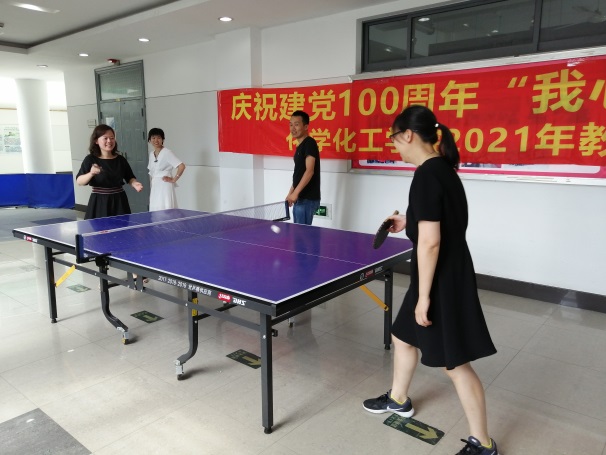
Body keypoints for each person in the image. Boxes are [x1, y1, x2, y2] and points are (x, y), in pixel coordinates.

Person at [362, 105, 499, 455]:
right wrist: (409, 220)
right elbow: (439, 219)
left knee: (455, 364)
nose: (394, 146)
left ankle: (483, 444)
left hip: (439, 280)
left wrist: (424, 297)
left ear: (408, 135)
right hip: (444, 271)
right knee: (402, 336)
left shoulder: (425, 175)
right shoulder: (442, 170)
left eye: (394, 139)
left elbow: (431, 243)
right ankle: (398, 399)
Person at [76, 124, 143, 220]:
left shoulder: (120, 159)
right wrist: (91, 173)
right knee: (99, 228)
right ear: (96, 141)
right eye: (105, 138)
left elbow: (130, 177)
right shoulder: (90, 159)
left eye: (112, 138)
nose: (109, 141)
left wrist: (134, 183)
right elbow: (79, 181)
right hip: (99, 202)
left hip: (119, 201)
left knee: (121, 227)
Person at [285, 110, 321, 225]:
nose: (293, 128)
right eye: (291, 124)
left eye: (296, 124)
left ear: (305, 126)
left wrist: (295, 193)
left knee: (301, 234)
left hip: (307, 199)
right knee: (299, 233)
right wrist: (290, 193)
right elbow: (299, 174)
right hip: (300, 198)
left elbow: (309, 171)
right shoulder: (300, 147)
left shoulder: (309, 143)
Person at [147, 127, 186, 211]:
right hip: (155, 186)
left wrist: (174, 179)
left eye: (159, 138)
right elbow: (152, 172)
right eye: (153, 138)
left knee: (166, 209)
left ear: (163, 139)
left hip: (165, 185)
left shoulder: (167, 152)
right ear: (149, 140)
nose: (156, 140)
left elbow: (181, 166)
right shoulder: (151, 154)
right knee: (155, 209)